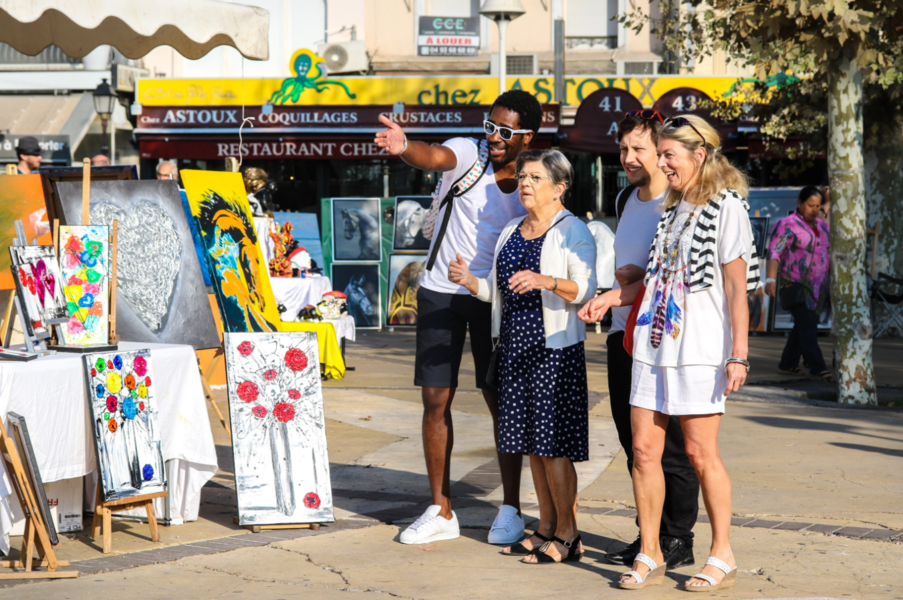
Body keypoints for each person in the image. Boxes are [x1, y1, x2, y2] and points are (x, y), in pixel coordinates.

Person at [373, 90, 543, 545]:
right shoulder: (470, 153)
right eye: (491, 126)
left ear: (528, 136)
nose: (495, 137)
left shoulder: (532, 179)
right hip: (441, 292)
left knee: (499, 401)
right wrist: (404, 146)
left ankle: (510, 508)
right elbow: (434, 156)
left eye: (506, 132)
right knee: (435, 400)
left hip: (495, 299)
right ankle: (440, 508)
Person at [597, 115, 758, 591]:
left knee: (698, 452)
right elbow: (658, 281)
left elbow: (736, 290)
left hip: (701, 347)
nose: (661, 163)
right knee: (643, 450)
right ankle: (650, 551)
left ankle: (722, 554)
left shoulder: (727, 206)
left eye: (669, 155)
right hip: (653, 342)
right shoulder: (671, 207)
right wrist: (613, 298)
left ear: (699, 155)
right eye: (660, 154)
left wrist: (739, 354)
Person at [449, 149, 596, 563]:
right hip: (514, 348)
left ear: (559, 187)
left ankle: (568, 534)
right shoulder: (512, 228)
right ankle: (546, 526)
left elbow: (586, 288)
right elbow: (500, 292)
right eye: (523, 177)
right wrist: (470, 282)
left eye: (534, 177)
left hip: (554, 351)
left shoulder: (573, 231)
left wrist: (545, 280)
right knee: (531, 443)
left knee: (553, 446)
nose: (525, 184)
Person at [578, 111, 699, 570]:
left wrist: (622, 287)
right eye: (623, 149)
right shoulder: (628, 197)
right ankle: (649, 535)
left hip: (662, 336)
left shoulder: (678, 200)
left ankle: (676, 538)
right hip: (621, 331)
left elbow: (674, 276)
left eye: (639, 149)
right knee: (635, 443)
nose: (628, 158)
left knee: (669, 447)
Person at [765, 186, 831, 380]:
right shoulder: (787, 225)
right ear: (800, 203)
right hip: (796, 285)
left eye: (817, 206)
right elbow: (775, 252)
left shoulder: (823, 226)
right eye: (810, 205)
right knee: (808, 325)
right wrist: (770, 280)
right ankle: (818, 367)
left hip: (820, 288)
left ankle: (787, 363)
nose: (814, 209)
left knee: (803, 326)